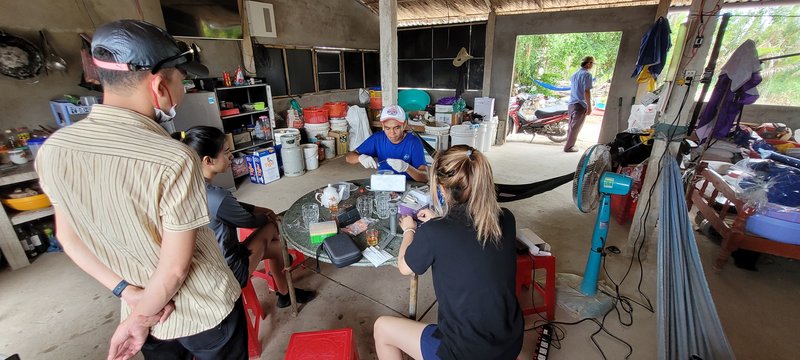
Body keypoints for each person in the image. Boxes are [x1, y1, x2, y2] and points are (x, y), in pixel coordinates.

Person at [35, 20, 245, 360]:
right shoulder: (173, 157)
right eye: (182, 81)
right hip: (203, 310)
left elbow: (69, 238)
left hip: (140, 307)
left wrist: (128, 294)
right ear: (160, 85)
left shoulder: (53, 149)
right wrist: (139, 318)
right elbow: (176, 269)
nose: (183, 89)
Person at [373, 145, 523, 360]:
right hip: (509, 342)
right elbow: (467, 237)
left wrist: (409, 229)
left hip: (466, 353)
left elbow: (404, 267)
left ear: (442, 189)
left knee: (382, 328)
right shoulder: (506, 218)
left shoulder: (435, 233)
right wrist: (437, 222)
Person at [177, 126, 316, 307]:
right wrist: (270, 215)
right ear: (208, 160)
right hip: (227, 272)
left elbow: (233, 207)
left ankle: (285, 294)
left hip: (206, 266)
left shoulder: (188, 187)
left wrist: (261, 209)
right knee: (271, 227)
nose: (232, 157)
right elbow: (249, 220)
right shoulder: (217, 197)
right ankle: (283, 258)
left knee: (275, 248)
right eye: (226, 153)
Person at [345, 104, 428, 182]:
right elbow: (348, 157)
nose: (392, 133)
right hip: (384, 183)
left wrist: (407, 167)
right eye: (387, 128)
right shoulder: (378, 138)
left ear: (404, 125)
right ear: (383, 126)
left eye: (397, 128)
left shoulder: (413, 142)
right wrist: (360, 158)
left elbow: (425, 177)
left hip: (408, 184)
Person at [564, 56, 594, 153]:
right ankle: (568, 147)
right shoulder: (587, 75)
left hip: (572, 103)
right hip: (580, 104)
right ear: (588, 63)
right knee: (576, 127)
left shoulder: (574, 74)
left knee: (571, 126)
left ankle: (569, 144)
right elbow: (586, 91)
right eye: (592, 63)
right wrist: (589, 107)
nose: (592, 65)